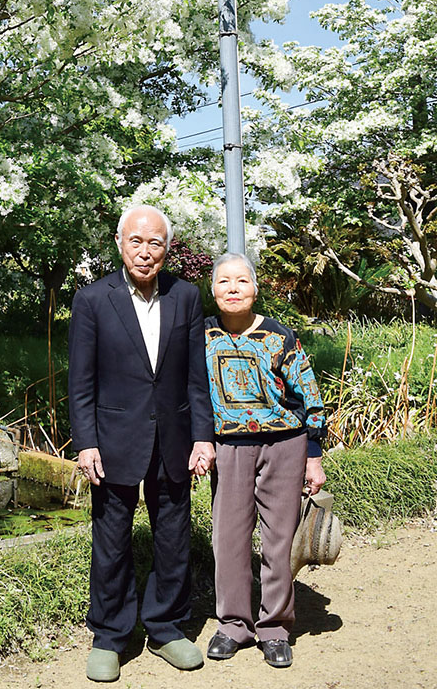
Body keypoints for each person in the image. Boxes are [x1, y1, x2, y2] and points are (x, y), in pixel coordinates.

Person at [68, 205, 215, 683]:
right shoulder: (92, 299)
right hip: (112, 442)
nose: (145, 252)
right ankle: (109, 636)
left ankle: (166, 627)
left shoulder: (186, 297)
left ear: (167, 248)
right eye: (137, 241)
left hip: (174, 438)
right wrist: (86, 442)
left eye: (155, 243)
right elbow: (81, 382)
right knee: (111, 542)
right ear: (119, 243)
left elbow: (197, 377)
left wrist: (202, 437)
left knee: (173, 538)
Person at [204, 253, 326, 669]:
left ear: (256, 289)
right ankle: (233, 624)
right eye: (224, 281)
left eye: (242, 280)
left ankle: (274, 627)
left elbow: (310, 397)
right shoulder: (200, 335)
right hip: (229, 447)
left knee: (279, 537)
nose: (233, 288)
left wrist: (313, 456)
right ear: (213, 289)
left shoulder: (279, 336)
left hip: (285, 445)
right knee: (228, 536)